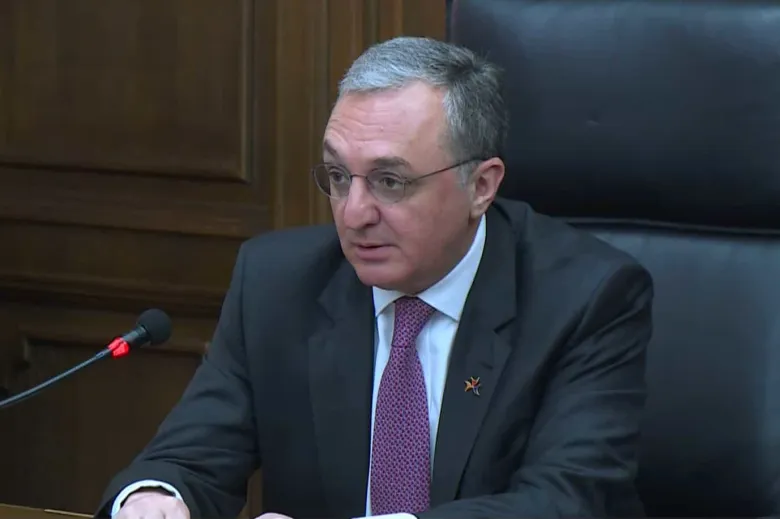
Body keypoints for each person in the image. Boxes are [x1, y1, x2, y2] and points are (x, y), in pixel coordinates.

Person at [99, 36, 654, 519]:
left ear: (481, 186)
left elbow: (566, 501)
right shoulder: (278, 284)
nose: (353, 212)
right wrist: (154, 498)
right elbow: (191, 457)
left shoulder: (584, 298)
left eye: (390, 181)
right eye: (339, 176)